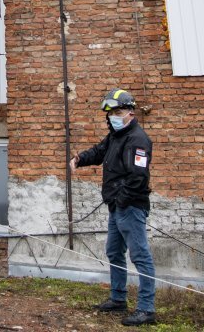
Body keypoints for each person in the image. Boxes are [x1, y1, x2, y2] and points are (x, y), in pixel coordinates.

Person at [70, 88, 156, 326]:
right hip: (116, 206)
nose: (113, 116)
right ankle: (118, 298)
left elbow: (138, 177)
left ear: (130, 111)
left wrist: (121, 199)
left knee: (140, 256)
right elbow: (99, 152)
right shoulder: (115, 136)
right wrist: (80, 159)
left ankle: (147, 309)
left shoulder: (138, 139)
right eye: (110, 113)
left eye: (117, 111)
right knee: (114, 252)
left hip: (130, 207)